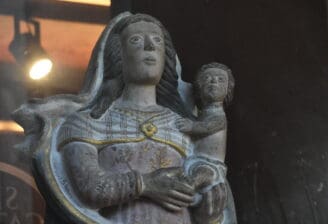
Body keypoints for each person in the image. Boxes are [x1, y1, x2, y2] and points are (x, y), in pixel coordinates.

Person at [51, 13, 228, 224]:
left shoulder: (185, 126)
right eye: (136, 41)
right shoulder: (88, 122)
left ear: (166, 57)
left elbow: (203, 186)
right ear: (119, 56)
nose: (149, 47)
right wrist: (146, 185)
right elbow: (89, 188)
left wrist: (208, 211)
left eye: (157, 41)